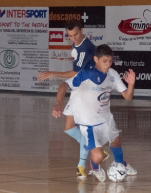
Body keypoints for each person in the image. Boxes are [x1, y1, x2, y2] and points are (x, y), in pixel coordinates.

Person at [52, 44, 137, 182]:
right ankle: (94, 167)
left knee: (116, 141)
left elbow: (127, 97)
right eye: (105, 61)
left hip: (106, 119)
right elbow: (64, 85)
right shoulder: (86, 74)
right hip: (89, 124)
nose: (108, 65)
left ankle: (122, 164)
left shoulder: (113, 74)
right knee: (98, 157)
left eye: (110, 62)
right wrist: (58, 103)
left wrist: (131, 84)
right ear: (96, 59)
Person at [38, 20, 109, 179]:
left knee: (82, 129)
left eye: (76, 34)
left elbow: (76, 74)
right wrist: (58, 103)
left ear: (82, 30)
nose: (74, 38)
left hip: (89, 91)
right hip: (80, 87)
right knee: (69, 128)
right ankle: (92, 150)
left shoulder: (85, 48)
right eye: (70, 36)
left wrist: (53, 73)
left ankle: (82, 164)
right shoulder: (77, 45)